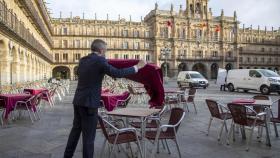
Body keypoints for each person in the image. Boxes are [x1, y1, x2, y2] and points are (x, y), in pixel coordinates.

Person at [64, 39, 146, 158]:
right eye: (106, 51)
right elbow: (117, 73)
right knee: (88, 138)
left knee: (75, 132)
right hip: (89, 103)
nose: (106, 53)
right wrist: (137, 67)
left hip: (78, 101)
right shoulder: (100, 60)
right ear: (102, 50)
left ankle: (67, 156)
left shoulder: (83, 60)